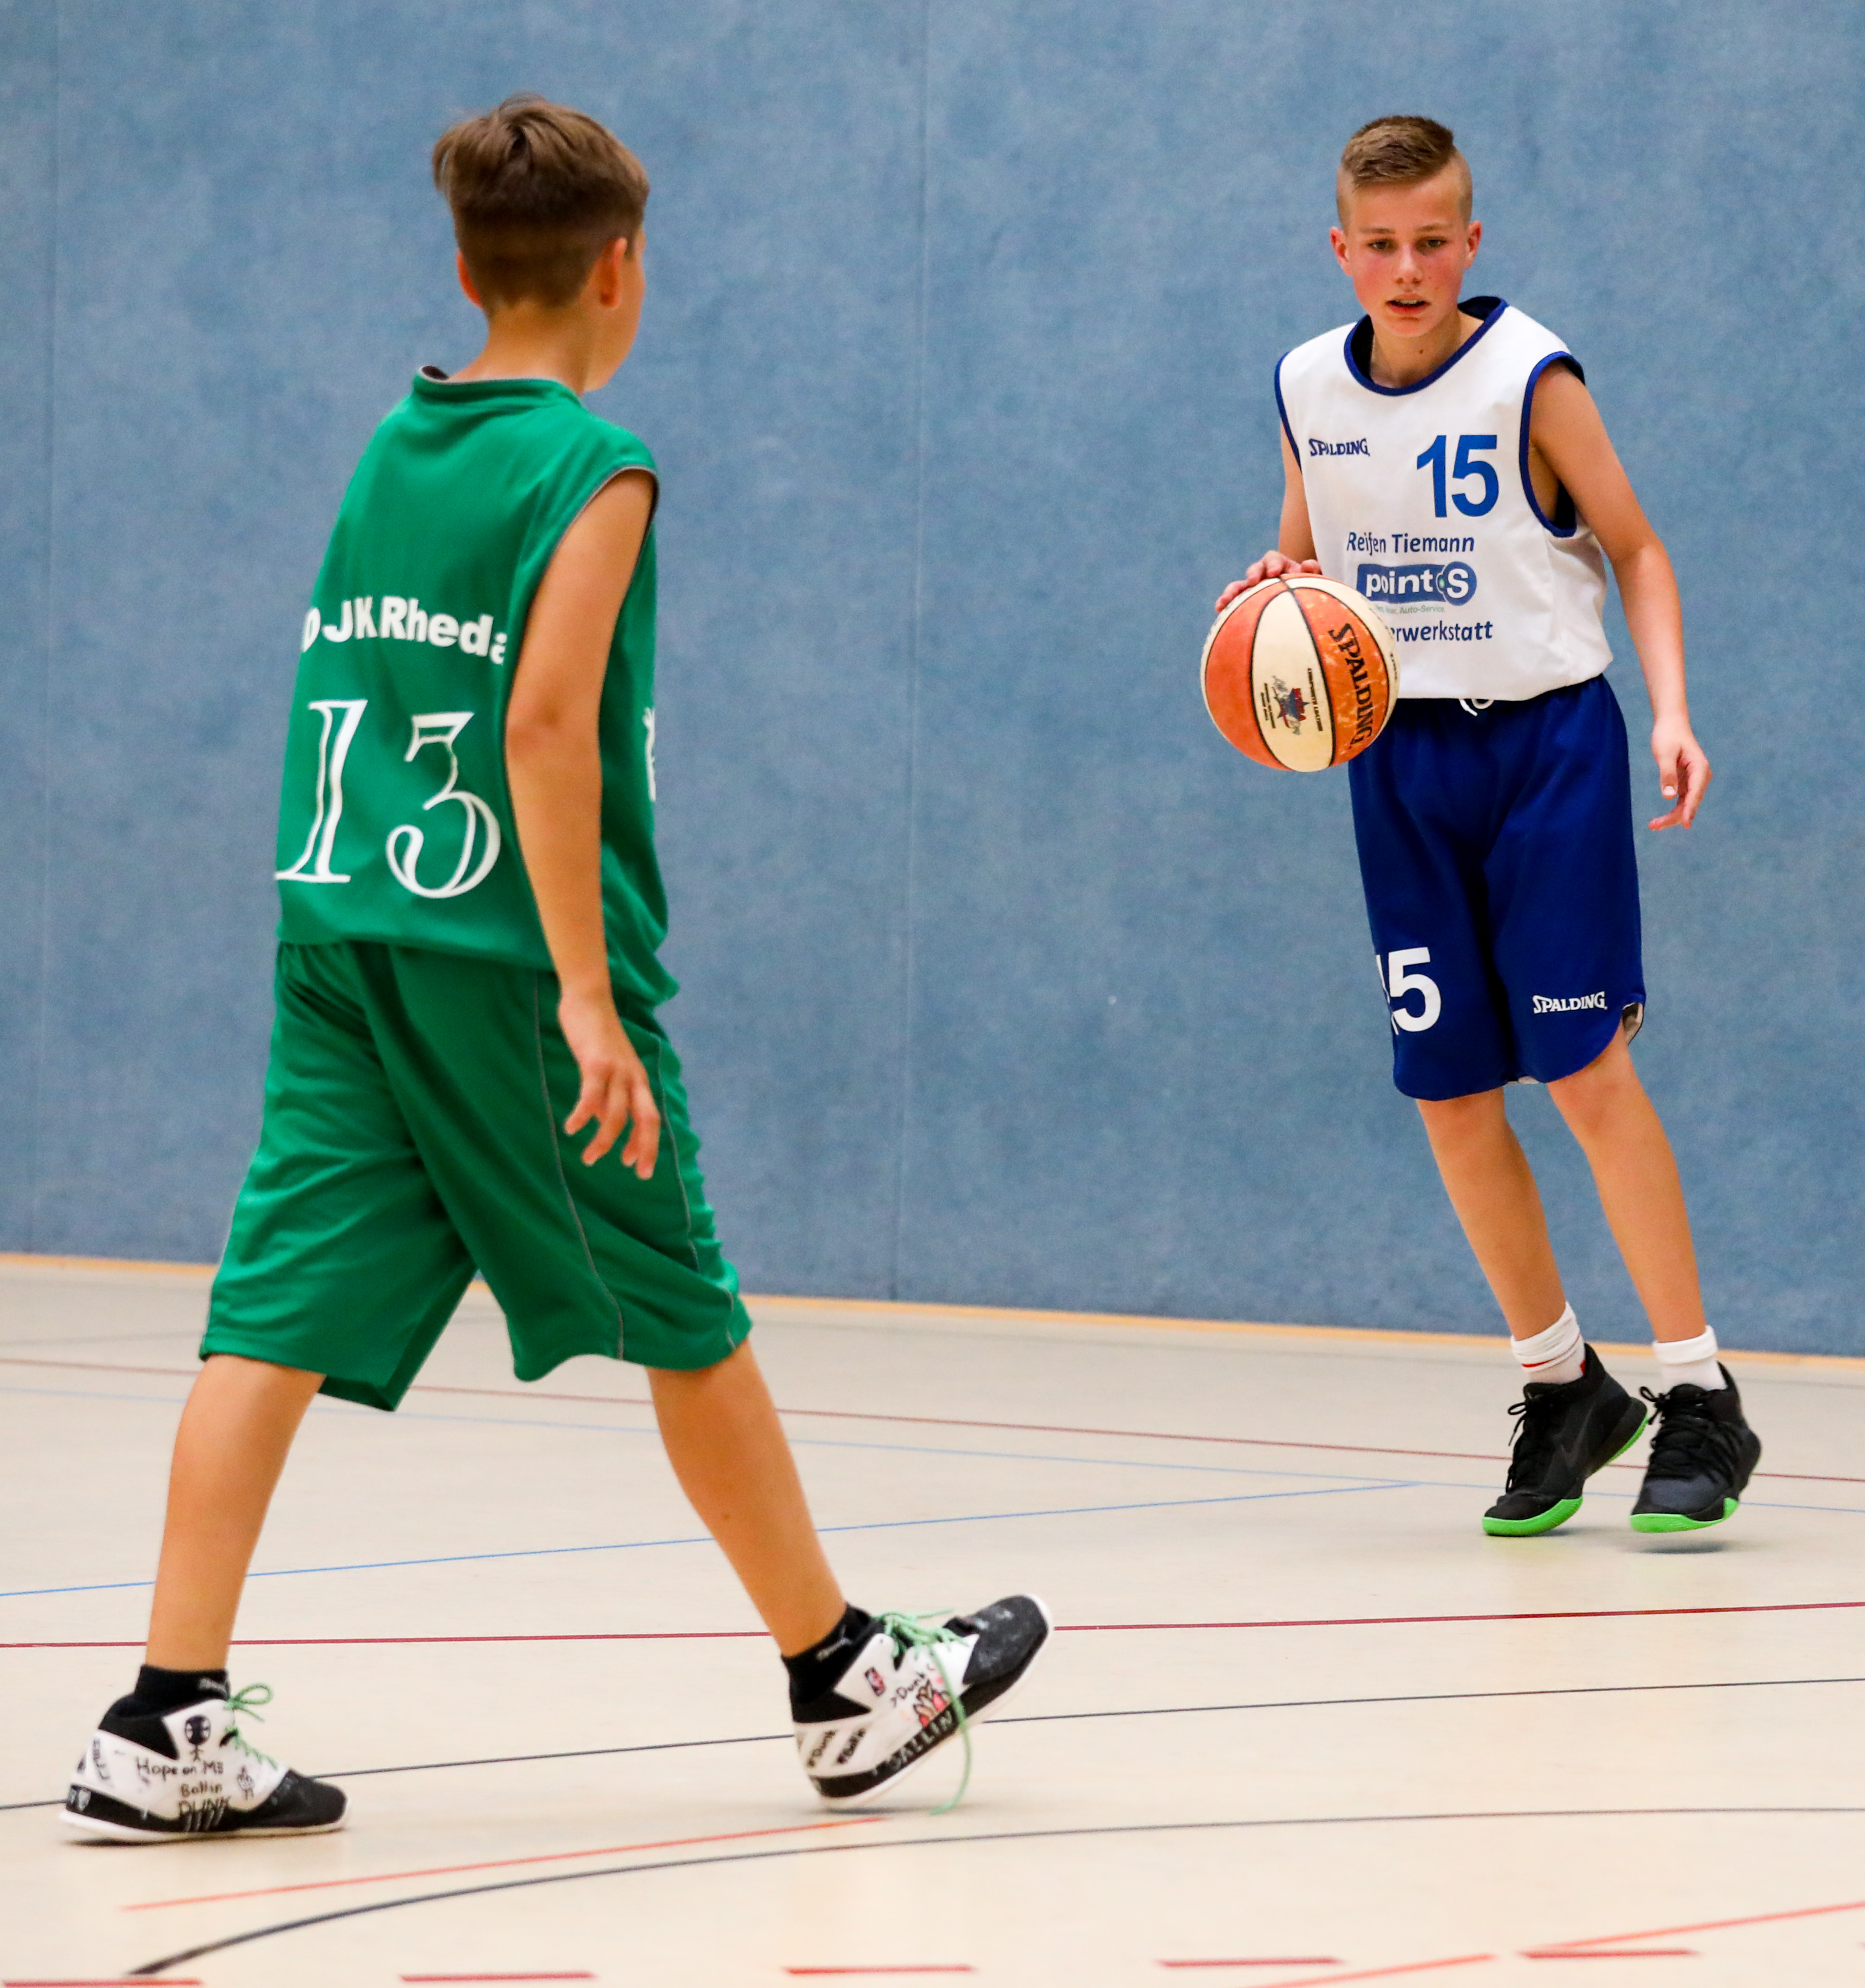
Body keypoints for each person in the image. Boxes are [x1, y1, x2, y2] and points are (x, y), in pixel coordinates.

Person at [63, 96, 1045, 1843]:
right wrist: (586, 992)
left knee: (268, 1314)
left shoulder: (395, 441)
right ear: (622, 268)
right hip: (505, 959)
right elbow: (543, 722)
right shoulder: (595, 467)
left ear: (465, 270)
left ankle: (166, 1711)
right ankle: (842, 1679)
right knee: (684, 1300)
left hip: (342, 931)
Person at [1219, 115, 1761, 1537]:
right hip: (1398, 758)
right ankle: (1559, 1381)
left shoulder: (1532, 377)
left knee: (1581, 1071)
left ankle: (1699, 1390)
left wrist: (1673, 711)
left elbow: (1636, 546)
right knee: (1449, 1091)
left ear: (1470, 243)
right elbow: (1308, 550)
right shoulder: (1305, 386)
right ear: (1340, 250)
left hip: (1545, 747)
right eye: (1378, 246)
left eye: (1429, 243)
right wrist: (1275, 591)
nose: (1405, 269)